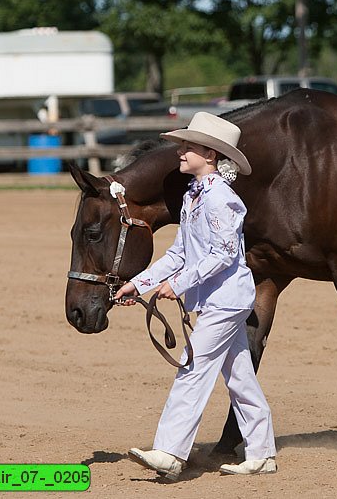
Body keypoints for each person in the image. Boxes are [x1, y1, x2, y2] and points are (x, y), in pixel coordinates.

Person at [114, 112, 277, 481]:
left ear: (211, 154)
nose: (181, 152)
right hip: (219, 298)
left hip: (228, 299)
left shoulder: (221, 199)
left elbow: (222, 253)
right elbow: (179, 254)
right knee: (239, 377)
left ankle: (171, 452)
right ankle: (263, 453)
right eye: (183, 145)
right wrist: (138, 284)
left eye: (189, 146)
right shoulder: (193, 196)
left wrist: (181, 284)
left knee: (192, 366)